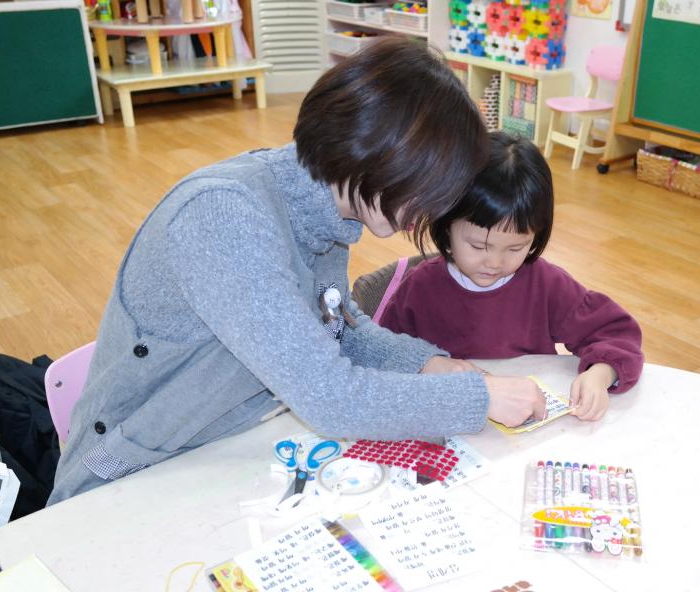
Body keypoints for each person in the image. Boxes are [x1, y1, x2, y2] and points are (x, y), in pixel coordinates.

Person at [49, 40, 546, 504]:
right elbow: (331, 398)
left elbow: (338, 326)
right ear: (379, 153)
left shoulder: (329, 208)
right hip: (129, 474)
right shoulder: (224, 215)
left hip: (230, 444)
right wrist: (476, 398)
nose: (433, 210)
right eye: (431, 187)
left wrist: (426, 364)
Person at [379, 132, 644, 421]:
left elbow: (615, 332)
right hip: (449, 424)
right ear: (445, 226)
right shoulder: (419, 289)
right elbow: (382, 356)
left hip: (527, 424)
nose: (494, 263)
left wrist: (600, 374)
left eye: (516, 248)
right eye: (478, 246)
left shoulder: (547, 285)